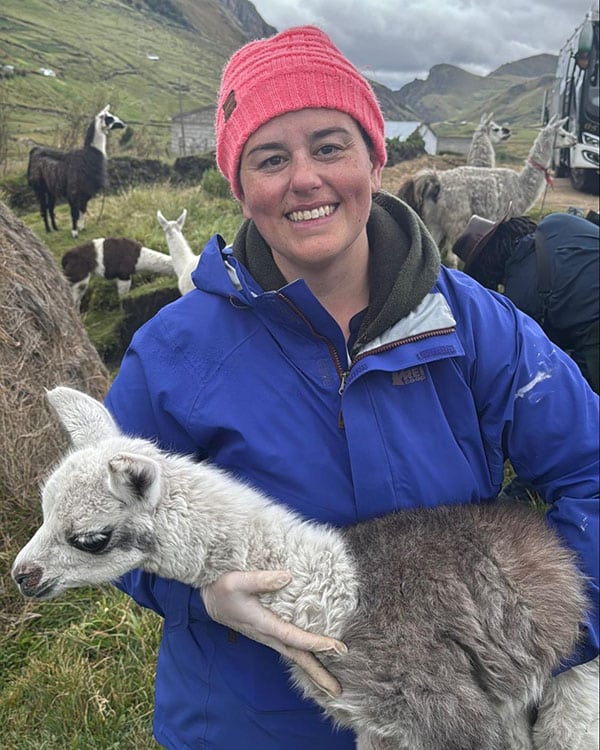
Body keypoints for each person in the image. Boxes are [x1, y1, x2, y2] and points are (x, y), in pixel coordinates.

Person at [104, 25, 599, 750]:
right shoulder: (173, 356)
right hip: (248, 725)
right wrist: (200, 596)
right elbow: (105, 520)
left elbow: (590, 466)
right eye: (271, 158)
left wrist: (551, 631)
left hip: (454, 719)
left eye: (330, 146)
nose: (305, 179)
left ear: (375, 156)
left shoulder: (479, 326)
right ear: (240, 186)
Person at [452, 210, 599, 393]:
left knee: (574, 390)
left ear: (485, 267)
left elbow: (541, 354)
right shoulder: (557, 220)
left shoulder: (518, 296)